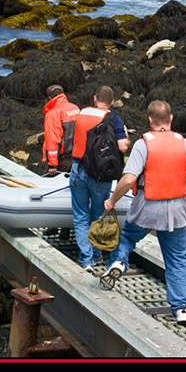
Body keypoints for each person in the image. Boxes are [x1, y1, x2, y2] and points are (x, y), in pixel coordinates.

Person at [100, 100, 186, 324]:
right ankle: (181, 309)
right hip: (176, 211)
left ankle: (119, 263)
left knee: (127, 237)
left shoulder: (143, 144)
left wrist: (112, 200)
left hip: (147, 209)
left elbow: (129, 178)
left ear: (150, 120)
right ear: (171, 119)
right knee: (177, 260)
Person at [70, 86, 130, 272]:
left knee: (80, 216)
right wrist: (125, 135)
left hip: (77, 169)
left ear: (95, 98)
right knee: (98, 215)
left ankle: (86, 259)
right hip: (100, 175)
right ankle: (96, 256)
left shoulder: (81, 113)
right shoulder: (114, 119)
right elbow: (122, 147)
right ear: (111, 102)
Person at [42, 84, 80, 240]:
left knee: (55, 194)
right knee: (72, 194)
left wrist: (52, 165)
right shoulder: (76, 108)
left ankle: (53, 226)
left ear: (50, 98)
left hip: (62, 160)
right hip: (78, 158)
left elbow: (52, 141)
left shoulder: (53, 113)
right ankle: (65, 231)